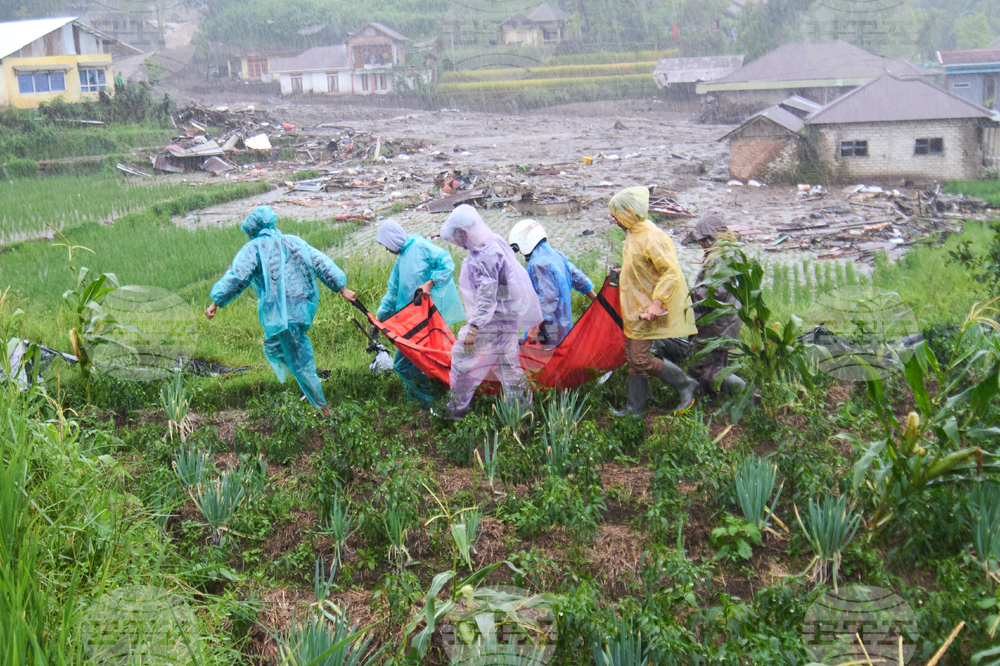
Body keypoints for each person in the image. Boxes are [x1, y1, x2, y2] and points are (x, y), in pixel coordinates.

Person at [205, 205, 355, 418]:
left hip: (283, 313)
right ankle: (306, 389)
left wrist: (216, 301)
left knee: (299, 360)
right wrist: (341, 287)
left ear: (253, 229)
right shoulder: (294, 241)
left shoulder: (255, 248)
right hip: (301, 307)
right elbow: (322, 263)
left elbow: (238, 277)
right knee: (275, 346)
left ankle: (323, 410)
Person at [440, 205, 542, 419]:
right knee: (508, 367)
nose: (457, 241)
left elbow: (488, 298)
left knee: (462, 360)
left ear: (464, 232)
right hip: (506, 317)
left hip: (491, 322)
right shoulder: (493, 242)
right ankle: (522, 413)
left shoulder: (484, 257)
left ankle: (456, 410)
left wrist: (474, 328)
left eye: (457, 236)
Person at [608, 186, 698, 416]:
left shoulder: (652, 236)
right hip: (634, 309)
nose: (614, 220)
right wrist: (623, 272)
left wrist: (657, 304)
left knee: (640, 358)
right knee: (632, 358)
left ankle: (685, 383)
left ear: (629, 212)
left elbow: (671, 273)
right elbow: (642, 267)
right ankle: (634, 410)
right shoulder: (633, 234)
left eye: (616, 215)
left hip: (648, 309)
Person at [371, 219, 465, 405]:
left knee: (407, 364)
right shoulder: (401, 260)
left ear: (392, 240)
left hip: (425, 320)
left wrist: (430, 283)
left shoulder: (420, 246)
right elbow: (392, 292)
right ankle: (426, 400)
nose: (387, 250)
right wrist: (378, 318)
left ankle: (426, 402)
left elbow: (447, 262)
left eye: (386, 245)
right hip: (410, 322)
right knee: (416, 362)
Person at [508, 219, 597, 346]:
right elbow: (578, 277)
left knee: (546, 361)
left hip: (549, 327)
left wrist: (534, 328)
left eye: (518, 248)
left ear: (524, 242)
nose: (521, 252)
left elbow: (548, 299)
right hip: (564, 322)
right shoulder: (556, 255)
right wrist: (594, 297)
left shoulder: (537, 263)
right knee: (564, 353)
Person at [687, 212, 747, 397]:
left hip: (714, 325)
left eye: (701, 239)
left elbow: (717, 292)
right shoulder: (731, 252)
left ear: (709, 237)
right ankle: (709, 406)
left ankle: (747, 392)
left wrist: (690, 295)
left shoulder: (717, 257)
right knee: (716, 365)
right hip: (727, 322)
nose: (700, 243)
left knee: (701, 368)